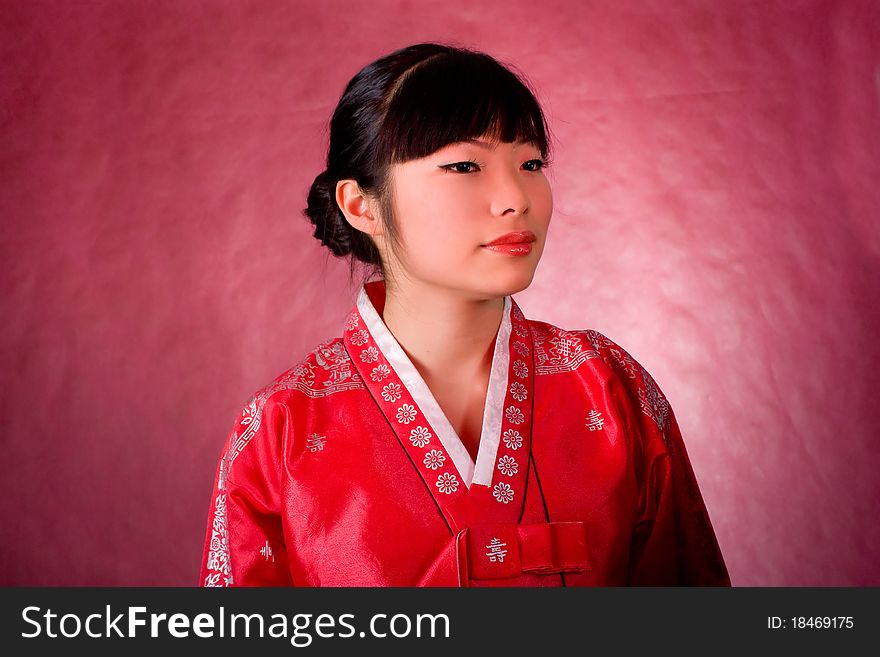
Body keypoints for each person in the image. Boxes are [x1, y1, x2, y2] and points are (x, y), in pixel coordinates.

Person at [199, 42, 730, 587]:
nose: (514, 198)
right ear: (361, 205)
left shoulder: (610, 390)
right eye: (464, 165)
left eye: (530, 163)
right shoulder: (281, 432)